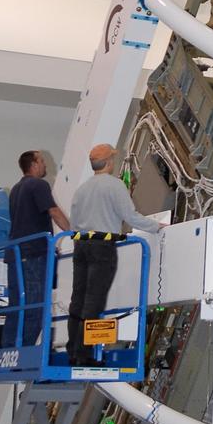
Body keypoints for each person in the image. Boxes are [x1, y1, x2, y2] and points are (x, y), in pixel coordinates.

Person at [67, 144, 166, 365]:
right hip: (102, 247)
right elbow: (130, 216)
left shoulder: (81, 189)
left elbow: (74, 223)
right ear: (109, 163)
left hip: (80, 245)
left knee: (78, 298)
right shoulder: (114, 186)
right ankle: (85, 354)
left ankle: (73, 351)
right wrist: (156, 226)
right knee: (94, 300)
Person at [2, 150, 70, 348]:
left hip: (14, 254)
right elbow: (54, 212)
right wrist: (74, 233)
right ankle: (23, 350)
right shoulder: (39, 185)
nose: (45, 165)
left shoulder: (16, 189)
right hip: (33, 254)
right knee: (36, 306)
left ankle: (9, 349)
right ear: (33, 164)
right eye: (42, 161)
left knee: (16, 305)